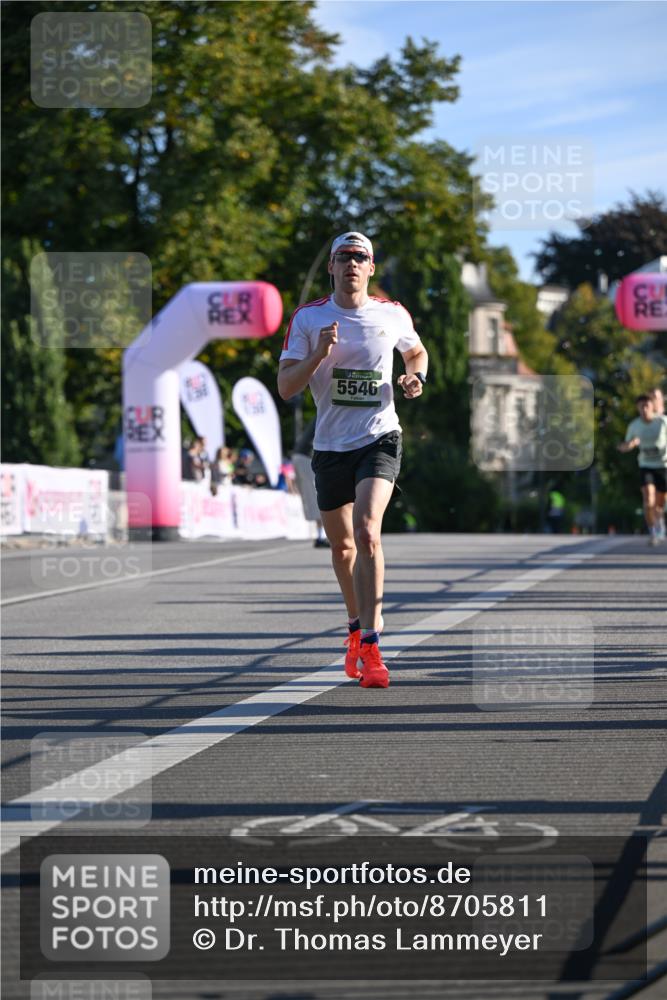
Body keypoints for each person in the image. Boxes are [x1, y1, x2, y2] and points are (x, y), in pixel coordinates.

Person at [277, 231, 428, 688]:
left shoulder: (391, 313)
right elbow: (286, 387)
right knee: (342, 548)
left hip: (380, 437)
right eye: (343, 257)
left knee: (367, 530)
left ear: (371, 267)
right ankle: (354, 630)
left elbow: (416, 350)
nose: (351, 264)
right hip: (330, 447)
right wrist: (319, 353)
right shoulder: (309, 318)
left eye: (360, 257)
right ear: (331, 267)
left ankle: (374, 642)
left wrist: (414, 376)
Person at [617, 394, 667, 545]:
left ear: (653, 406)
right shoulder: (634, 426)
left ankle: (660, 524)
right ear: (637, 408)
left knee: (660, 505)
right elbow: (623, 446)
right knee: (648, 500)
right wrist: (630, 445)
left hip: (663, 466)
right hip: (646, 466)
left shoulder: (662, 422)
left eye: (647, 406)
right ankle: (653, 532)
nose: (644, 409)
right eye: (641, 407)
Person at [292, 419, 331, 549]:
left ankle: (322, 534)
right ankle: (322, 535)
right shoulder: (330, 413)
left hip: (302, 456)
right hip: (307, 457)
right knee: (318, 495)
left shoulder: (324, 412)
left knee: (315, 496)